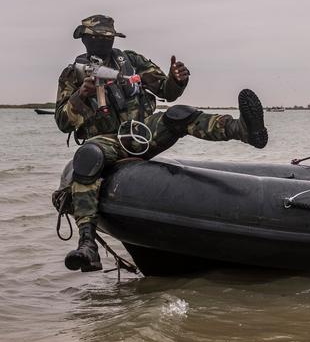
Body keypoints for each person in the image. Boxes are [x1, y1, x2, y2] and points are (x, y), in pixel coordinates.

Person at [55, 14, 268, 272]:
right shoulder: (73, 74)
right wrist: (82, 94)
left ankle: (244, 130)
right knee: (88, 156)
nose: (103, 42)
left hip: (142, 133)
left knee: (179, 114)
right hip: (107, 141)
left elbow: (166, 90)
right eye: (97, 38)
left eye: (107, 38)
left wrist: (177, 79)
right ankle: (87, 244)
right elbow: (64, 121)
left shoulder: (131, 61)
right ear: (86, 40)